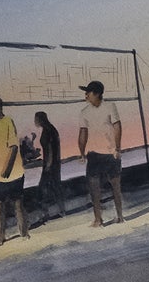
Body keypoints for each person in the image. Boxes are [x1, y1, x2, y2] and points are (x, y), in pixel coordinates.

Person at [0, 95, 30, 246]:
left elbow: (14, 146)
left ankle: (24, 233)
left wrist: (7, 169)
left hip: (12, 173)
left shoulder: (8, 121)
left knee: (17, 204)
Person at [77, 81, 123, 226]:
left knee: (115, 186)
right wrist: (82, 153)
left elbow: (117, 127)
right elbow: (82, 133)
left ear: (97, 94)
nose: (86, 95)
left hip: (110, 153)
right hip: (94, 154)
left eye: (88, 93)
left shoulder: (110, 106)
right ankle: (98, 219)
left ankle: (120, 216)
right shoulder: (84, 112)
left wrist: (117, 148)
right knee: (94, 189)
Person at [32, 111, 67, 220]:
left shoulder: (47, 131)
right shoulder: (51, 128)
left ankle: (46, 213)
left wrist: (48, 164)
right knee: (55, 186)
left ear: (40, 119)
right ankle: (62, 210)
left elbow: (50, 149)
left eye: (36, 119)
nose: (35, 121)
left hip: (50, 164)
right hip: (54, 163)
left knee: (43, 188)